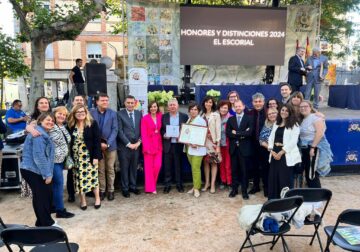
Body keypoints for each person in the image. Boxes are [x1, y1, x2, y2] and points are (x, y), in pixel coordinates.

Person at [20, 112, 56, 226]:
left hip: (33, 169)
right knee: (42, 197)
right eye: (48, 120)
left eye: (52, 121)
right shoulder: (39, 134)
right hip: (33, 170)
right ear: (40, 121)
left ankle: (41, 222)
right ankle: (46, 224)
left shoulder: (40, 132)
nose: (51, 122)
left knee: (40, 196)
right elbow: (39, 156)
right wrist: (47, 174)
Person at [68, 105, 102, 210]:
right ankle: (83, 200)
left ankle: (97, 198)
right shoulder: (71, 125)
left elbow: (97, 141)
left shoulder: (92, 123)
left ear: (86, 112)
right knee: (79, 179)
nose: (80, 113)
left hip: (89, 156)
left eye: (82, 111)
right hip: (76, 158)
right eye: (77, 112)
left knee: (93, 179)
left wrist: (96, 156)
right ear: (74, 114)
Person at [267, 104, 301, 199]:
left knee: (284, 179)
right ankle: (273, 200)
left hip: (286, 155)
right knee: (274, 177)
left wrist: (282, 152)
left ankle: (285, 201)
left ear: (290, 113)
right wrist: (271, 150)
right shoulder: (276, 123)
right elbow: (271, 138)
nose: (284, 112)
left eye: (286, 111)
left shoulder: (295, 125)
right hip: (274, 153)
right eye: (282, 110)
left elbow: (293, 142)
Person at [22, 97, 52, 198]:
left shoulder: (52, 116)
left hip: (49, 155)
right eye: (41, 103)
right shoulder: (33, 119)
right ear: (37, 106)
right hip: (37, 157)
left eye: (46, 103)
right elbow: (27, 130)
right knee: (39, 189)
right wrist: (29, 128)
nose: (44, 105)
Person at [90, 94, 118, 201]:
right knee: (100, 169)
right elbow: (90, 129)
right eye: (102, 100)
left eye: (107, 100)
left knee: (110, 169)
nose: (105, 102)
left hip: (111, 147)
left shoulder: (113, 113)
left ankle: (111, 190)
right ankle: (102, 190)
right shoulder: (91, 113)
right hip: (97, 147)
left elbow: (115, 130)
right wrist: (99, 144)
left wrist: (107, 143)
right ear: (97, 102)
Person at [299, 100, 333, 188]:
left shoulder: (315, 117)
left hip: (314, 147)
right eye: (301, 107)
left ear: (310, 107)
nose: (303, 108)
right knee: (308, 170)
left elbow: (320, 133)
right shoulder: (303, 119)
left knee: (312, 172)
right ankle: (312, 192)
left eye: (305, 106)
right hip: (305, 147)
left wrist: (313, 147)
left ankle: (317, 195)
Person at [49, 106, 75, 218]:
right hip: (54, 160)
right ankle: (60, 210)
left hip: (61, 160)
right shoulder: (50, 126)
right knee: (59, 185)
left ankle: (54, 206)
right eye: (59, 114)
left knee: (57, 185)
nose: (61, 116)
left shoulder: (62, 126)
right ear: (54, 114)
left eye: (64, 115)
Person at [226, 100, 254, 199]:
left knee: (244, 171)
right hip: (234, 149)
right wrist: (242, 133)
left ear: (243, 106)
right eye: (236, 106)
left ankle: (244, 191)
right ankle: (234, 190)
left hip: (244, 149)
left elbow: (249, 133)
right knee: (234, 170)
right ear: (234, 108)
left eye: (239, 106)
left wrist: (236, 133)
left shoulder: (249, 118)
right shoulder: (230, 119)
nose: (238, 108)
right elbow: (228, 133)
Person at [161, 98, 188, 193]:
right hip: (168, 145)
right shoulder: (163, 117)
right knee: (167, 166)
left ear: (178, 106)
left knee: (178, 166)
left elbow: (187, 130)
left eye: (174, 105)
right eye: (170, 105)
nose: (172, 106)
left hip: (178, 145)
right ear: (168, 107)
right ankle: (167, 185)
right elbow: (161, 130)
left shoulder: (184, 117)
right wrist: (164, 135)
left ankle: (179, 184)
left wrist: (181, 136)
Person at [117, 95, 142, 198]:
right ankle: (125, 188)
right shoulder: (119, 114)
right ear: (125, 103)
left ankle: (133, 186)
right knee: (124, 168)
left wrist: (139, 142)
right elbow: (120, 131)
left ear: (135, 103)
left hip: (136, 146)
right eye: (128, 103)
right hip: (124, 147)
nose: (130, 104)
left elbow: (142, 129)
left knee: (134, 167)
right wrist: (128, 144)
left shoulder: (139, 114)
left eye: (132, 103)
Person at [67, 94, 86, 203]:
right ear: (73, 102)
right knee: (71, 172)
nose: (79, 101)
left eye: (81, 100)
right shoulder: (69, 116)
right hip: (73, 150)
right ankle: (71, 193)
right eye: (77, 100)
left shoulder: (87, 114)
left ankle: (86, 191)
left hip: (85, 151)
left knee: (84, 172)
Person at [185, 103, 207, 198]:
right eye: (192, 109)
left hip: (198, 148)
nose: (193, 111)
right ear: (189, 110)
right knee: (193, 168)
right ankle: (194, 186)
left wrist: (196, 144)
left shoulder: (201, 120)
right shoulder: (189, 119)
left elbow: (203, 134)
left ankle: (197, 188)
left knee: (196, 169)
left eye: (195, 109)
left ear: (198, 111)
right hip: (189, 148)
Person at [200, 96, 221, 194]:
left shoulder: (216, 115)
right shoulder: (200, 114)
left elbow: (218, 131)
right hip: (203, 143)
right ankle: (207, 183)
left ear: (213, 104)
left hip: (212, 142)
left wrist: (218, 145)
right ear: (204, 103)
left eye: (210, 102)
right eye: (206, 102)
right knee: (205, 163)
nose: (208, 104)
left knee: (213, 163)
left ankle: (212, 184)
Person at [248, 93, 267, 195]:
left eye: (260, 101)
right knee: (254, 166)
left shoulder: (268, 113)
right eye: (256, 102)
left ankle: (266, 187)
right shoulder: (249, 113)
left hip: (265, 145)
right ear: (252, 103)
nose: (258, 103)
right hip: (253, 144)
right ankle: (256, 186)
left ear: (263, 102)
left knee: (265, 167)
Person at [141, 101, 162, 194]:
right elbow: (143, 134)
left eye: (155, 106)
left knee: (157, 166)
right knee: (149, 168)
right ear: (149, 108)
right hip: (149, 145)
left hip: (158, 145)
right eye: (151, 107)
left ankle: (153, 184)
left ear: (157, 107)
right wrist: (146, 147)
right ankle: (151, 188)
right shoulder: (145, 118)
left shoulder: (160, 116)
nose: (153, 108)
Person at [259, 108, 278, 197]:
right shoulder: (266, 124)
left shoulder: (281, 124)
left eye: (273, 113)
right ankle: (267, 190)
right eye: (269, 114)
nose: (271, 115)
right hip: (267, 151)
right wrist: (270, 148)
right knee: (266, 172)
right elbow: (261, 139)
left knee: (276, 173)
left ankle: (276, 190)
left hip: (279, 153)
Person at [217, 100, 232, 189]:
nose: (223, 109)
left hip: (228, 144)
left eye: (225, 108)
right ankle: (223, 181)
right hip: (218, 145)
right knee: (221, 163)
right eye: (222, 107)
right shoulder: (216, 117)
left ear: (228, 109)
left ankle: (229, 182)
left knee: (228, 164)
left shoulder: (231, 118)